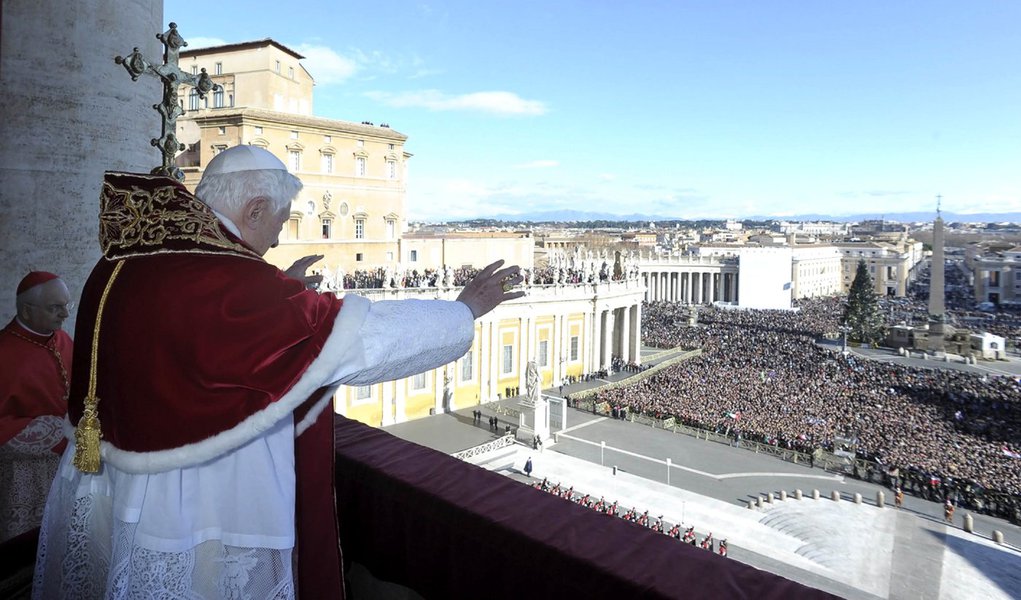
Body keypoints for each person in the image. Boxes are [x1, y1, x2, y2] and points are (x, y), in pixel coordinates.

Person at [32, 146, 524, 600]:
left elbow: (202, 336)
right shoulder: (236, 284)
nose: (278, 237)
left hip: (108, 473)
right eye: (279, 223)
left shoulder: (128, 257)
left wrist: (279, 289)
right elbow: (361, 341)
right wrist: (462, 312)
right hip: (190, 500)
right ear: (253, 210)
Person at [0, 272, 73, 542]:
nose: (64, 314)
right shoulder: (4, 351)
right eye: (55, 307)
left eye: (67, 305)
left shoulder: (62, 340)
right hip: (23, 474)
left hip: (66, 465)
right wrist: (55, 431)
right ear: (27, 311)